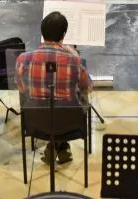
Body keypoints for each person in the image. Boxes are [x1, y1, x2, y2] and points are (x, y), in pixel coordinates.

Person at [15, 11, 93, 165]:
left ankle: (56, 146)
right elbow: (88, 86)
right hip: (69, 122)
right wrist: (75, 56)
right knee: (69, 101)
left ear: (42, 33)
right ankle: (61, 146)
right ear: (63, 34)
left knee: (50, 105)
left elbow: (22, 89)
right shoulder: (74, 61)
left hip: (35, 122)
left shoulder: (23, 59)